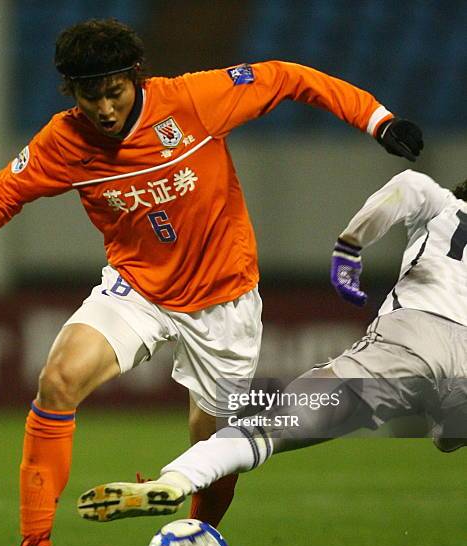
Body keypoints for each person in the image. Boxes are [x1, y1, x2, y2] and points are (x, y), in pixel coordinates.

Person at [0, 18, 423, 546]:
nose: (102, 108)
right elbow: (6, 191)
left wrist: (377, 119)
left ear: (134, 77)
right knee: (58, 380)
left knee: (214, 445)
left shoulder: (194, 100)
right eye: (88, 94)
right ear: (70, 92)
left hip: (224, 301)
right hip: (138, 289)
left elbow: (288, 77)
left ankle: (194, 540)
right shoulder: (64, 140)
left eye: (113, 91)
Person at [81, 168, 467, 521]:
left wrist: (350, 247)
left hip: (409, 339)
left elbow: (409, 185)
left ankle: (175, 481)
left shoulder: (445, 205)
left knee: (270, 427)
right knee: (449, 435)